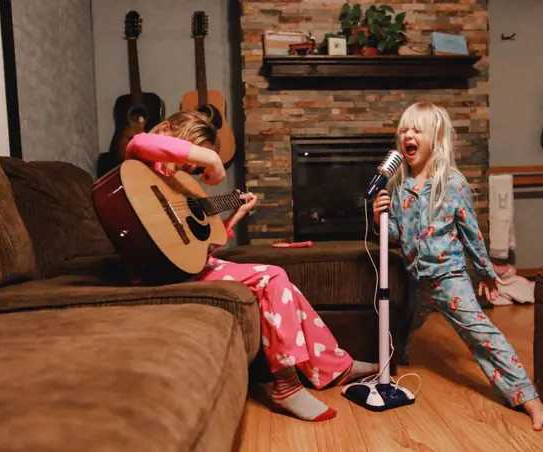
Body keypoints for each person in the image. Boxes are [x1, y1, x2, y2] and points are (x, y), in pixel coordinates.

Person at [124, 110, 379, 422]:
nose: (189, 168)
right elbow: (140, 142)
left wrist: (235, 217)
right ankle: (285, 384)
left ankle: (336, 365)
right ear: (164, 129)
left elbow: (197, 247)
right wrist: (212, 160)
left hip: (188, 265)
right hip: (162, 272)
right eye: (190, 160)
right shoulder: (142, 162)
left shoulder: (173, 187)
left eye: (192, 165)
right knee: (273, 276)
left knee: (286, 290)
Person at [372, 102, 543, 431]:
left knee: (482, 336)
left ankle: (529, 399)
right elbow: (396, 235)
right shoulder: (399, 186)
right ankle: (394, 363)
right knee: (400, 324)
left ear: (436, 137)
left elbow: (471, 234)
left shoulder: (452, 184)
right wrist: (379, 217)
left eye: (417, 130)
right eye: (404, 130)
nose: (408, 135)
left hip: (449, 279)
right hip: (415, 279)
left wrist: (486, 271)